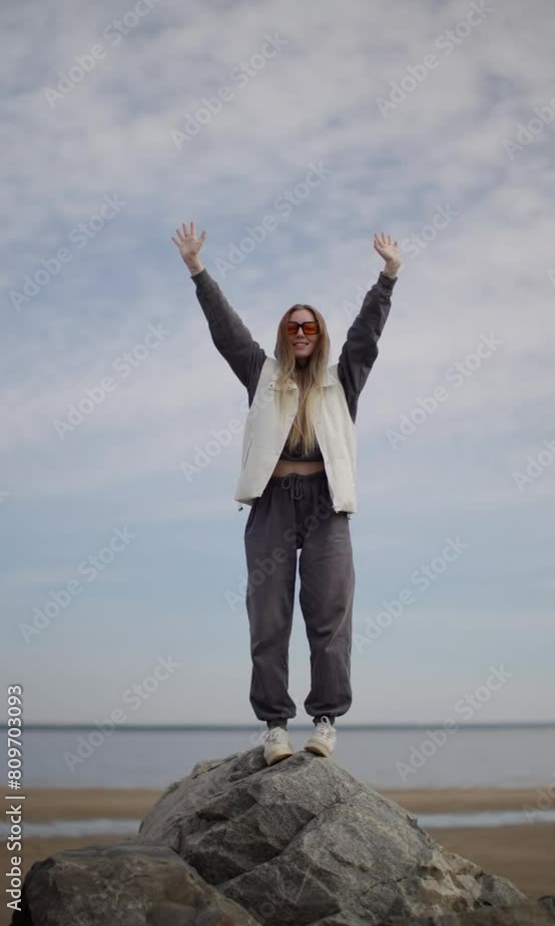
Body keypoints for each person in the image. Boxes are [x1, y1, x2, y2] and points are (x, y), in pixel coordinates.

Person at [172, 220, 401, 765]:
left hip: (327, 507)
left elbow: (365, 335)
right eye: (293, 327)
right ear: (283, 335)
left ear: (319, 336)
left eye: (310, 327)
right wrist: (197, 270)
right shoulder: (262, 375)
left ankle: (325, 721)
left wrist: (388, 277)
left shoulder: (341, 381)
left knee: (329, 617)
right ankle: (275, 726)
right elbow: (228, 332)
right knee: (268, 618)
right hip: (272, 504)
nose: (301, 333)